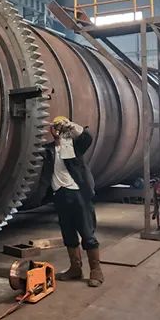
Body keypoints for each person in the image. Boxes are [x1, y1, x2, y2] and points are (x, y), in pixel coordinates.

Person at [42, 115, 104, 288]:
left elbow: (87, 138)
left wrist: (71, 126)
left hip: (78, 195)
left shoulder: (74, 147)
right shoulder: (49, 150)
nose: (58, 131)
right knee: (68, 234)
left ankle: (96, 271)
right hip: (60, 196)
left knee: (87, 233)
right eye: (56, 128)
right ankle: (75, 269)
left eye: (60, 128)